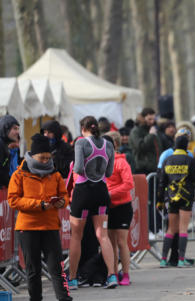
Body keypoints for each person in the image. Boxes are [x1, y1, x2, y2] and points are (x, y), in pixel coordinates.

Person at [8, 134, 72, 301]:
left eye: (48, 158)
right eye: (41, 158)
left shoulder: (55, 174)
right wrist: (39, 204)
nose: (45, 161)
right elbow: (13, 200)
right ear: (33, 155)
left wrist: (62, 202)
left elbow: (65, 196)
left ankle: (64, 298)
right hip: (28, 227)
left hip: (50, 226)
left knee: (57, 268)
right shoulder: (19, 174)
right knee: (33, 269)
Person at [68, 116, 117, 289]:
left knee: (76, 236)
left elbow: (79, 168)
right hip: (101, 191)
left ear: (83, 129)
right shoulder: (108, 144)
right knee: (102, 235)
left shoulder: (81, 143)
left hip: (83, 191)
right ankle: (111, 275)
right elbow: (109, 172)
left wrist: (73, 168)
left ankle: (73, 278)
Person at [158, 135, 195, 268]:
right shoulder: (189, 160)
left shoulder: (167, 159)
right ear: (186, 145)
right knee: (183, 229)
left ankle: (163, 259)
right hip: (186, 197)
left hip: (171, 197)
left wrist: (160, 200)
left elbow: (161, 182)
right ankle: (181, 260)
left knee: (171, 229)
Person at [105, 131, 134, 286]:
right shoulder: (101, 162)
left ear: (114, 145)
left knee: (122, 242)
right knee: (110, 242)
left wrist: (110, 193)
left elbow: (129, 183)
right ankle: (114, 272)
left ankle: (126, 274)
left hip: (122, 205)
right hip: (108, 207)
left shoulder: (122, 162)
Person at [129, 107, 161, 175]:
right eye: (149, 119)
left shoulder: (154, 129)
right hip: (143, 168)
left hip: (156, 168)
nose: (152, 121)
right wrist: (151, 135)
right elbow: (140, 146)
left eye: (153, 119)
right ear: (143, 118)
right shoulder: (136, 131)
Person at [0, 115, 20, 188]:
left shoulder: (4, 146)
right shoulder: (1, 145)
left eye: (18, 129)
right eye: (15, 128)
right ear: (6, 129)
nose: (18, 132)